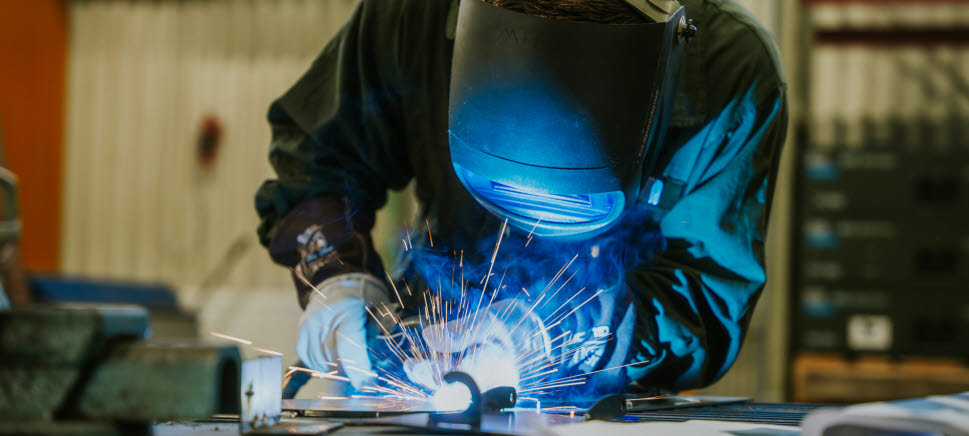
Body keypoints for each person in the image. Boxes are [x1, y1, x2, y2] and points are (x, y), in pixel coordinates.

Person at [256, 0, 786, 398]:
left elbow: (704, 302)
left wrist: (552, 332)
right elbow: (317, 157)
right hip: (424, 371)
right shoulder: (413, 14)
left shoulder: (728, 74)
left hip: (609, 404)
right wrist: (337, 280)